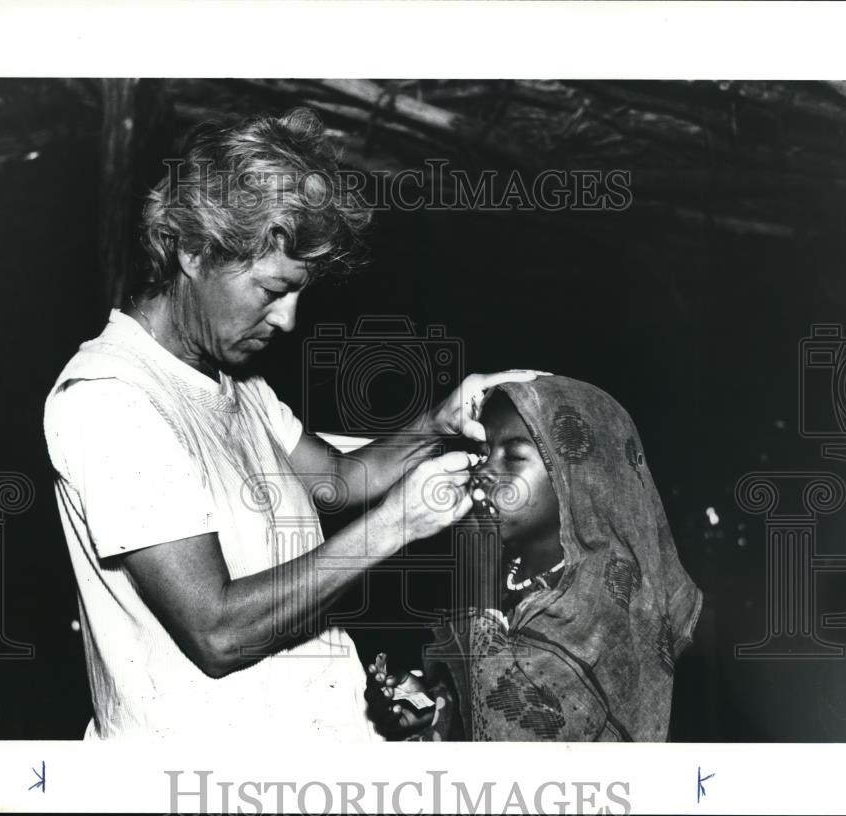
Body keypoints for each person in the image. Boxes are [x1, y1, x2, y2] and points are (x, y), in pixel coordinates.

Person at [43, 107, 540, 740]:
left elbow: (337, 479)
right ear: (194, 250)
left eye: (299, 293)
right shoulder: (110, 399)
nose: (288, 321)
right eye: (272, 290)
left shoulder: (235, 382)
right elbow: (216, 632)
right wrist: (394, 527)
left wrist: (438, 423)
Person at [369, 375, 702, 741]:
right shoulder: (509, 572)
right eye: (482, 454)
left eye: (513, 457)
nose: (483, 472)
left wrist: (477, 587)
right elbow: (482, 700)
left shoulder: (606, 601)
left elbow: (516, 754)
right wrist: (433, 708)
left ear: (576, 478)